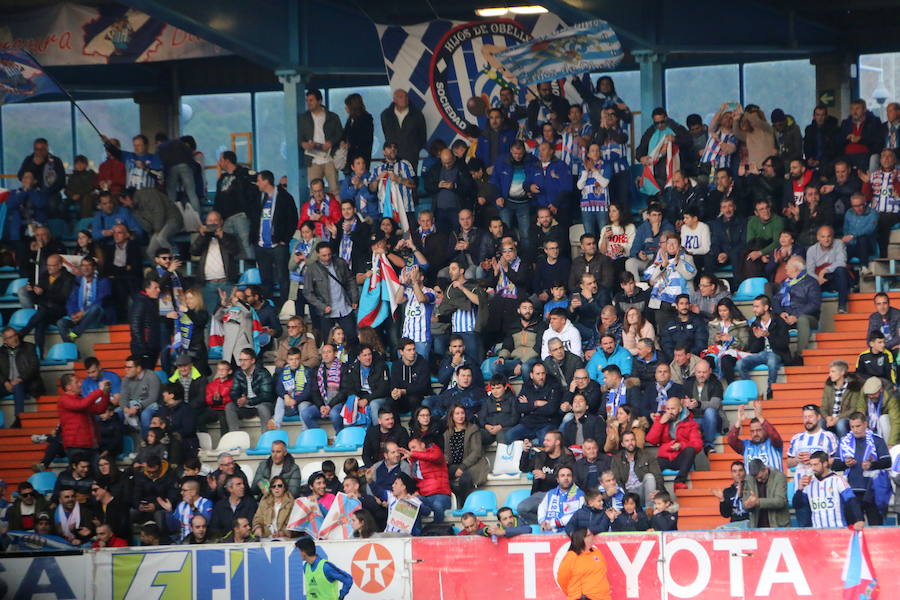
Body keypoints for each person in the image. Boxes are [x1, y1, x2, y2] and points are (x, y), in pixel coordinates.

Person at [832, 412, 892, 525]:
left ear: (865, 424)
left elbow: (887, 462)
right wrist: (846, 464)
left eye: (858, 426)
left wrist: (872, 465)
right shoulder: (844, 441)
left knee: (876, 529)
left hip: (872, 490)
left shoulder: (877, 440)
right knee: (854, 529)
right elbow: (835, 465)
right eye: (852, 427)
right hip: (852, 491)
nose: (855, 429)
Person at [253, 170, 297, 310]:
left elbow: (293, 219)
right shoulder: (258, 196)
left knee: (283, 277)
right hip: (261, 245)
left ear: (266, 181)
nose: (257, 183)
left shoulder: (284, 197)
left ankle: (284, 308)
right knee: (265, 279)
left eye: (259, 180)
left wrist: (285, 238)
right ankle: (268, 308)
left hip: (278, 245)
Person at [793, 450, 865, 530]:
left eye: (816, 465)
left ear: (825, 463)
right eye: (811, 465)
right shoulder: (809, 482)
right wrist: (799, 489)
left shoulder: (838, 480)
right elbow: (798, 505)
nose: (813, 468)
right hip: (817, 531)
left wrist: (859, 519)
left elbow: (851, 500)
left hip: (838, 529)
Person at [737, 295, 790, 399]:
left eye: (757, 306)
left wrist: (769, 336)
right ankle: (750, 391)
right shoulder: (755, 324)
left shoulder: (779, 322)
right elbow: (753, 350)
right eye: (754, 306)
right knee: (740, 364)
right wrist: (758, 338)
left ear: (765, 308)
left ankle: (770, 391)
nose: (754, 309)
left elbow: (784, 344)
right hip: (761, 354)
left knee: (771, 359)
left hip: (777, 353)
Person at [516, 431, 575, 524]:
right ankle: (546, 523)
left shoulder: (567, 458)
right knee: (521, 510)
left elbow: (568, 480)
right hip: (539, 494)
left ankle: (551, 524)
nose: (544, 443)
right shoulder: (540, 455)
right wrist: (525, 452)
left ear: (557, 442)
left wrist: (545, 476)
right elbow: (523, 468)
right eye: (544, 440)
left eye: (548, 440)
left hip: (559, 496)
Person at [646, 397, 701, 490]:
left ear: (679, 409)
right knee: (652, 467)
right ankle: (662, 492)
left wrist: (681, 445)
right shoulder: (661, 419)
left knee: (690, 450)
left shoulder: (691, 423)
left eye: (673, 409)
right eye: (667, 409)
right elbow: (651, 440)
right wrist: (660, 423)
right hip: (665, 457)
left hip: (680, 457)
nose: (670, 412)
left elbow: (697, 445)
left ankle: (679, 482)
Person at [190, 211, 240, 313]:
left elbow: (235, 250)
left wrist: (222, 236)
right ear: (206, 223)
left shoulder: (229, 236)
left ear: (221, 222)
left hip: (226, 282)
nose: (213, 223)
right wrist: (202, 236)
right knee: (210, 315)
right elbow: (194, 251)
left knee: (229, 314)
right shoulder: (201, 237)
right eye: (210, 221)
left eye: (215, 220)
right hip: (208, 284)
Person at [306, 242, 359, 338]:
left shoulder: (340, 263)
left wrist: (354, 298)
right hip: (326, 311)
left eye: (329, 254)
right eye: (324, 255)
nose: (327, 258)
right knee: (329, 341)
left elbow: (350, 279)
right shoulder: (312, 269)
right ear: (317, 254)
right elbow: (308, 292)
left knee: (351, 337)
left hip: (344, 307)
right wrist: (322, 306)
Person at [787, 404, 839, 491]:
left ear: (818, 417)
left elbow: (836, 460)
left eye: (810, 417)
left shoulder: (828, 436)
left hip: (822, 487)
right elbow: (788, 463)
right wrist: (797, 459)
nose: (807, 420)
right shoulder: (796, 438)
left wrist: (816, 459)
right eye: (805, 417)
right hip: (801, 487)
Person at [300, 89, 343, 193]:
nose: (308, 103)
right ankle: (315, 209)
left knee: (335, 189)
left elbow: (340, 134)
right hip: (313, 158)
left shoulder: (332, 117)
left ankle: (336, 209)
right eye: (307, 100)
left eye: (311, 100)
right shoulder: (304, 118)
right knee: (314, 191)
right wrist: (303, 143)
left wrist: (331, 142)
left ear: (319, 101)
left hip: (329, 157)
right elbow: (299, 135)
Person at [726, 400, 784, 471]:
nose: (755, 434)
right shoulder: (746, 446)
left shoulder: (774, 444)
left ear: (765, 429)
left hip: (774, 481)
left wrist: (760, 417)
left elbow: (774, 435)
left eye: (759, 430)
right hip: (752, 482)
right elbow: (731, 440)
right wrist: (739, 421)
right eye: (752, 431)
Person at [226, 348, 274, 433]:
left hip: (261, 404)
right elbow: (233, 391)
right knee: (229, 406)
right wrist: (238, 400)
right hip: (246, 406)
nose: (242, 363)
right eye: (240, 360)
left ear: (253, 360)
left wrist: (248, 401)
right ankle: (234, 439)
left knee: (263, 408)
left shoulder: (263, 373)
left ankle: (265, 439)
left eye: (245, 360)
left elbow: (267, 395)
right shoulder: (238, 373)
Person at [556, 527, 612, 600]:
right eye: (589, 535)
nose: (592, 536)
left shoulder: (596, 552)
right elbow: (562, 579)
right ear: (581, 539)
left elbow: (603, 573)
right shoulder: (571, 557)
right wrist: (575, 594)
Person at [381, 89, 427, 171]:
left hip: (411, 156)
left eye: (406, 96)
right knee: (392, 180)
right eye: (401, 97)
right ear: (394, 99)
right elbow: (386, 133)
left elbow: (422, 136)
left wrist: (414, 149)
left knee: (411, 181)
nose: (404, 99)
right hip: (392, 156)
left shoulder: (417, 115)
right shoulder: (386, 115)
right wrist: (390, 149)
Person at [272, 347, 315, 430]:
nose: (294, 362)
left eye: (296, 359)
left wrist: (296, 400)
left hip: (303, 401)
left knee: (303, 406)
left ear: (300, 359)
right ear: (287, 360)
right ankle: (276, 427)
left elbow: (309, 391)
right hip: (288, 402)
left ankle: (305, 431)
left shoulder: (308, 371)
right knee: (280, 400)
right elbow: (279, 388)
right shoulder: (283, 372)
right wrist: (285, 396)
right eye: (291, 359)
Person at [821, 360, 865, 439]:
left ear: (842, 372)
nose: (830, 374)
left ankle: (844, 447)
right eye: (830, 372)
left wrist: (837, 418)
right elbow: (823, 407)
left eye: (833, 371)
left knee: (840, 424)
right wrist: (827, 417)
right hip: (830, 418)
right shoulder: (828, 386)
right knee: (820, 423)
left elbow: (853, 408)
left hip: (845, 418)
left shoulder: (853, 386)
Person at [159, 479, 212, 543]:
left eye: (184, 490)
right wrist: (169, 512)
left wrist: (192, 506)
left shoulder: (206, 503)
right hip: (182, 542)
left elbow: (205, 522)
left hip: (200, 542)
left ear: (193, 492)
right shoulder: (181, 504)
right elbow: (173, 528)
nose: (181, 493)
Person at [741, 458, 790, 528]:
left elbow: (780, 501)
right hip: (756, 526)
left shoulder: (779, 477)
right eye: (756, 478)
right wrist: (747, 505)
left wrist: (758, 502)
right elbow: (745, 504)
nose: (759, 480)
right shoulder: (749, 479)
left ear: (765, 469)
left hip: (778, 525)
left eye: (760, 477)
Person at [129, 278, 162, 370]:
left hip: (151, 348)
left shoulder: (149, 301)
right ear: (147, 289)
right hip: (144, 350)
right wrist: (144, 349)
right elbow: (135, 326)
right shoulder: (140, 302)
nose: (158, 290)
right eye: (155, 288)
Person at [251, 474, 294, 539]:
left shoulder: (291, 502)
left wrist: (283, 533)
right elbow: (258, 519)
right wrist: (258, 528)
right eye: (273, 486)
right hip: (266, 536)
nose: (276, 488)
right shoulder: (264, 501)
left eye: (279, 486)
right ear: (271, 489)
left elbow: (293, 524)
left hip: (284, 537)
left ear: (284, 488)